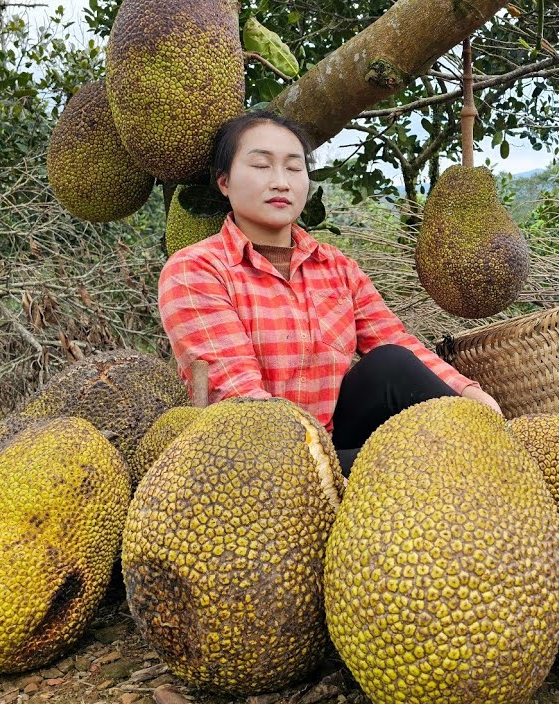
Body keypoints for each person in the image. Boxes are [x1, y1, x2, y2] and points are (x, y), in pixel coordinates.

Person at [158, 110, 501, 477]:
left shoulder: (337, 268)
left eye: (293, 168)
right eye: (261, 166)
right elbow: (241, 398)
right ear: (224, 182)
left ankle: (492, 453)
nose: (280, 182)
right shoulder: (194, 269)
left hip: (336, 439)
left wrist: (470, 395)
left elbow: (397, 343)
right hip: (260, 459)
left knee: (391, 363)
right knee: (419, 464)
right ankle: (454, 464)